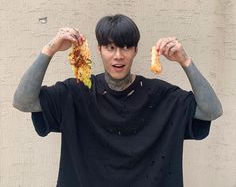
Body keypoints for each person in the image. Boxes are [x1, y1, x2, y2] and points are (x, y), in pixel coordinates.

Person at [13, 14, 222, 187]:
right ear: (99, 50)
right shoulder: (76, 92)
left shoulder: (162, 97)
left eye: (126, 47)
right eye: (110, 47)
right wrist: (50, 49)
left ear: (136, 51)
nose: (118, 56)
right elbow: (24, 102)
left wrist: (185, 61)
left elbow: (211, 111)